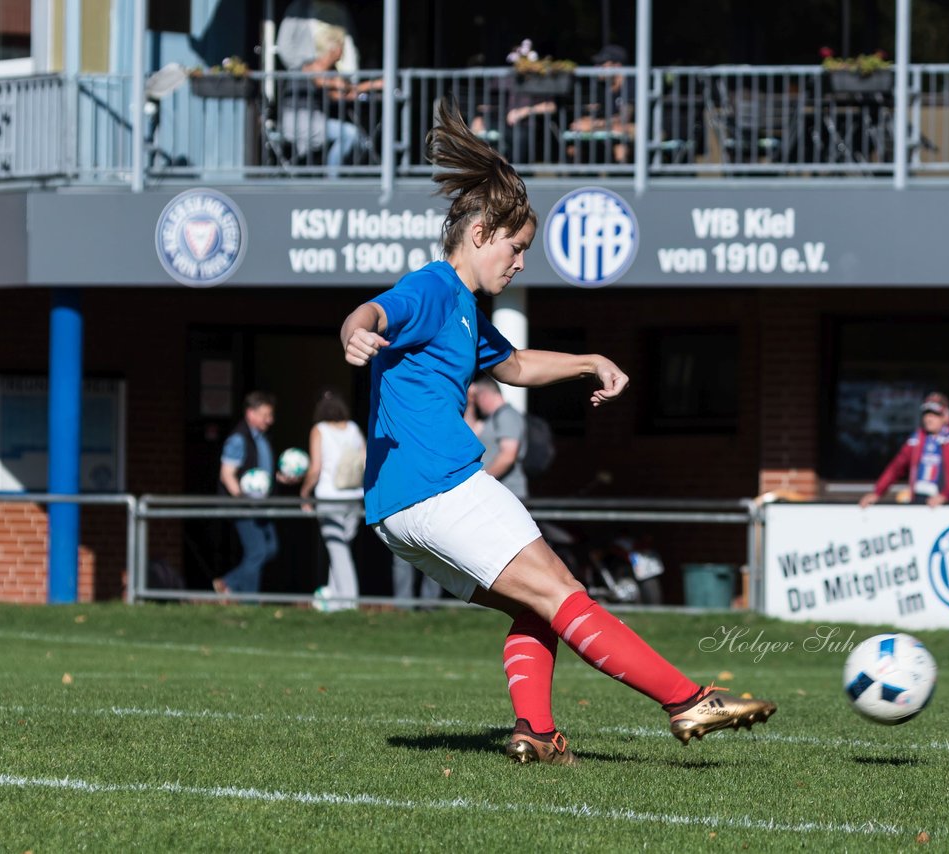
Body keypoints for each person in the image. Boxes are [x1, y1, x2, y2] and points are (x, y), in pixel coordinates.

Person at [339, 100, 775, 765]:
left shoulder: (462, 310)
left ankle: (536, 735)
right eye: (515, 250)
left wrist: (587, 362)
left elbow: (513, 364)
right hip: (443, 485)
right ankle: (687, 699)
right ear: (481, 232)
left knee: (538, 608)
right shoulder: (432, 288)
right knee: (567, 594)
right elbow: (377, 309)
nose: (518, 265)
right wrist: (356, 330)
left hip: (397, 512)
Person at [276, 1, 381, 177]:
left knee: (360, 140)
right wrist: (372, 84)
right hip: (297, 122)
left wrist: (374, 85)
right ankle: (332, 179)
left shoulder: (322, 73)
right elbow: (333, 84)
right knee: (349, 135)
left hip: (314, 120)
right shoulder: (309, 69)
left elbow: (343, 93)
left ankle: (335, 174)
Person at [214, 391, 295, 596]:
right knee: (257, 551)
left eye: (271, 415)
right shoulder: (238, 439)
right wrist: (242, 499)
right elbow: (227, 474)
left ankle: (228, 583)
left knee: (271, 548)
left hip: (261, 505)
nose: (270, 420)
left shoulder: (262, 438)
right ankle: (249, 600)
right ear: (251, 413)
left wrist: (279, 478)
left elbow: (260, 472)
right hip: (245, 506)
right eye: (265, 415)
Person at [299, 389, 366, 611]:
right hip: (354, 496)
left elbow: (315, 468)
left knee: (338, 550)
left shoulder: (319, 430)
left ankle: (349, 601)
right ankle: (335, 603)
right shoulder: (354, 429)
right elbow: (365, 462)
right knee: (341, 548)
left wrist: (304, 492)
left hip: (329, 496)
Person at [860, 392, 949, 508]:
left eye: (935, 414)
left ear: (946, 416)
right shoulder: (917, 438)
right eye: (926, 414)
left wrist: (945, 495)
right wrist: (878, 492)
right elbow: (897, 466)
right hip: (920, 500)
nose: (929, 419)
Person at [567, 44, 636, 164]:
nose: (597, 67)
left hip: (641, 130)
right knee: (574, 145)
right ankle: (579, 179)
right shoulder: (603, 87)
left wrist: (593, 124)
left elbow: (624, 118)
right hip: (611, 129)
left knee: (620, 141)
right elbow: (601, 114)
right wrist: (585, 121)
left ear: (617, 65)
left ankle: (623, 179)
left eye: (602, 64)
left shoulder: (632, 85)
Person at [471, 375, 528, 499]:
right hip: (497, 492)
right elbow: (470, 431)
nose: (477, 404)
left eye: (476, 398)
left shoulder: (506, 415)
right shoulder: (491, 419)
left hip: (509, 493)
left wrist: (482, 481)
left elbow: (508, 456)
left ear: (484, 395)